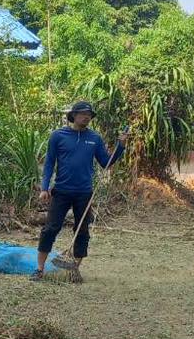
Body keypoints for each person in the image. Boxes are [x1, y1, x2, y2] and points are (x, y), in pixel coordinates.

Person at [33, 101, 128, 284]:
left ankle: (74, 270)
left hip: (84, 193)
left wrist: (121, 146)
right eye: (83, 113)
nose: (87, 117)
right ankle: (39, 269)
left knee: (82, 231)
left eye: (89, 114)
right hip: (61, 191)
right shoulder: (58, 136)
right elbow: (49, 163)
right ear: (74, 115)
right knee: (50, 229)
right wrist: (45, 188)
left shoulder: (95, 138)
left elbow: (106, 163)